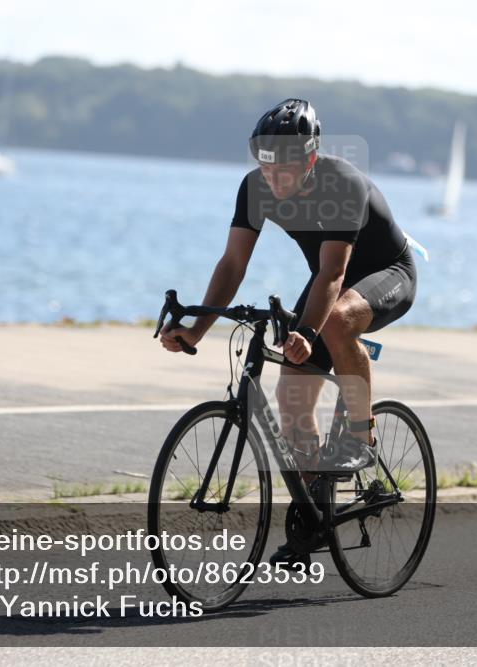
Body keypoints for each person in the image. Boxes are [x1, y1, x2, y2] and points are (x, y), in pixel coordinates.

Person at [159, 98, 417, 563]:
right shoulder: (254, 188)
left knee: (336, 322)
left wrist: (308, 332)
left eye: (285, 167)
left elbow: (335, 274)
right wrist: (197, 330)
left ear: (311, 159)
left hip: (385, 273)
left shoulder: (341, 184)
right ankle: (316, 515)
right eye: (266, 164)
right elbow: (233, 263)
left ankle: (361, 436)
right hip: (327, 280)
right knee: (292, 399)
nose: (273, 176)